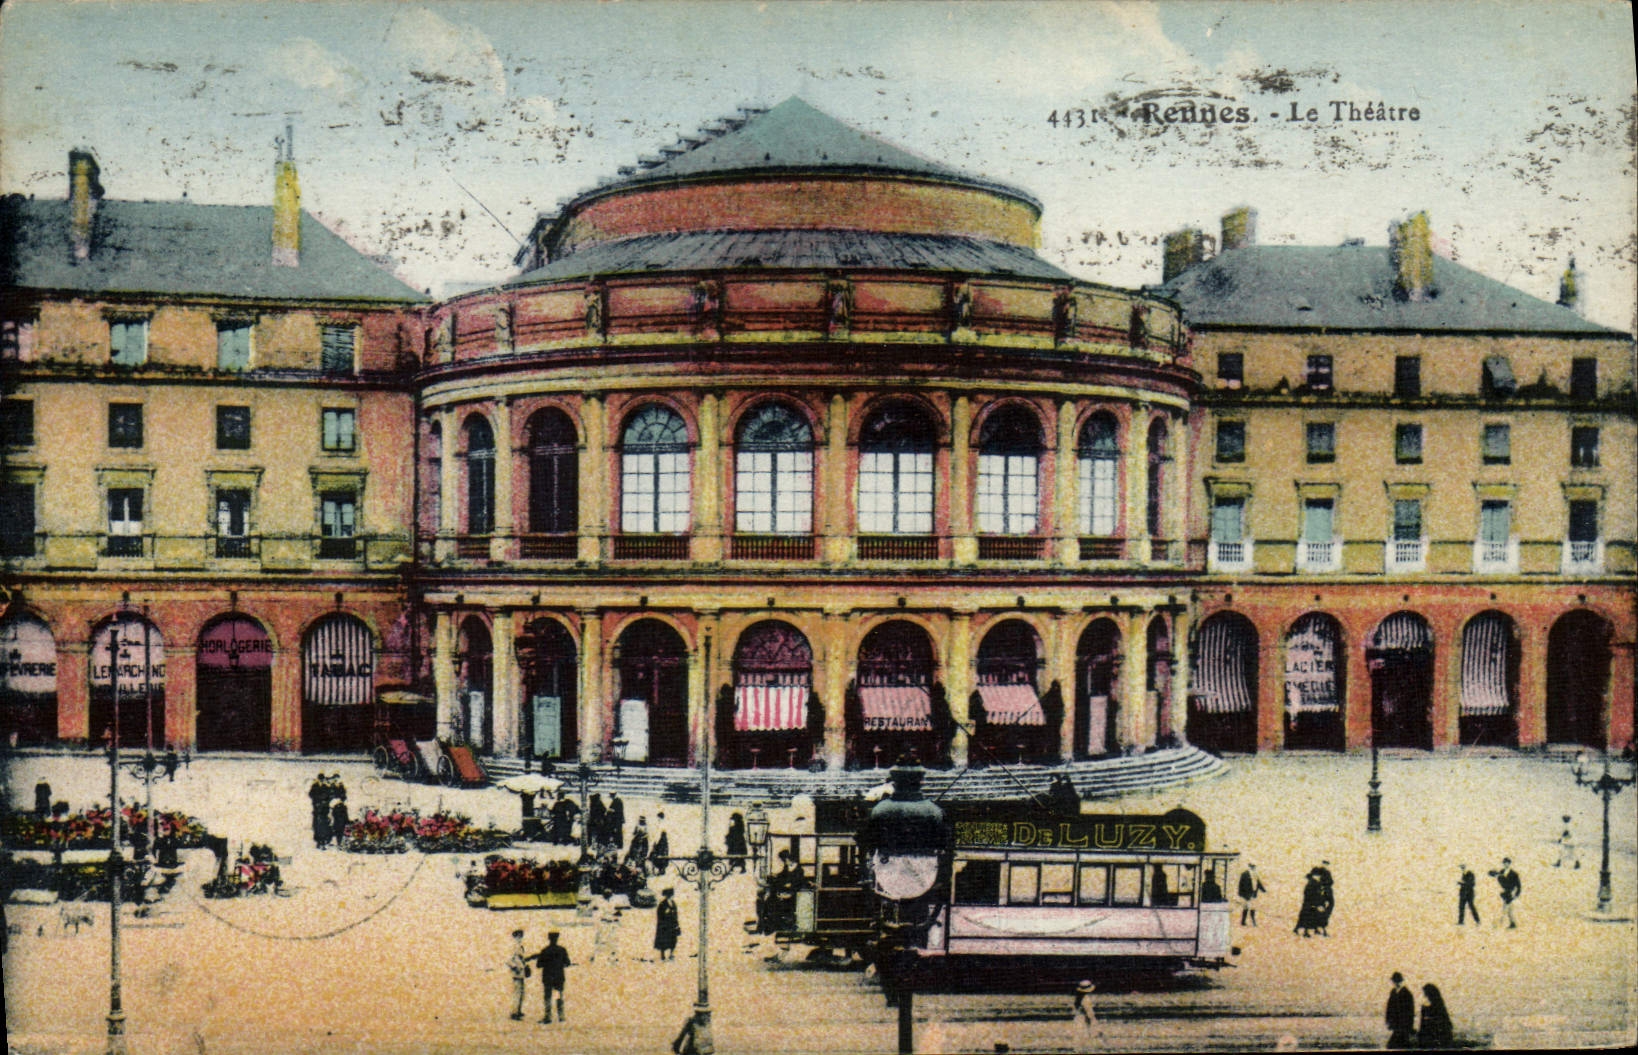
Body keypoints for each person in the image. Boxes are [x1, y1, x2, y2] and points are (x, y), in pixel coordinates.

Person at [532, 930, 571, 1023]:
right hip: (559, 977)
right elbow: (568, 963)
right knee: (558, 996)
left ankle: (548, 1016)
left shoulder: (545, 950)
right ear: (557, 939)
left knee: (548, 996)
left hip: (548, 977)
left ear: (549, 939)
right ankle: (561, 1016)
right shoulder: (562, 950)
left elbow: (538, 965)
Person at [1385, 971, 1416, 1049]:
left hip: (1404, 1024)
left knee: (1394, 1045)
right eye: (1394, 980)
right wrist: (1388, 1020)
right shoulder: (1393, 992)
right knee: (1399, 1044)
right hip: (1396, 1024)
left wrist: (1409, 1025)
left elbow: (1410, 1011)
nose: (1395, 982)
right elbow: (1389, 1007)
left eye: (1396, 980)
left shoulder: (1407, 993)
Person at [1416, 984, 1453, 1049]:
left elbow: (1441, 1021)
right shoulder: (1435, 1005)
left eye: (1426, 993)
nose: (1425, 995)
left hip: (1436, 1035)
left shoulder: (1437, 1005)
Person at [1489, 857, 1521, 928]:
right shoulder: (1501, 871)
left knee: (1504, 909)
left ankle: (1498, 924)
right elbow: (1493, 875)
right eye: (1504, 863)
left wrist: (1516, 895)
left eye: (1507, 863)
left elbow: (1518, 886)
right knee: (1509, 910)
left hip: (1510, 893)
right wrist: (1494, 873)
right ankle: (1513, 924)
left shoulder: (1514, 874)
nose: (1505, 864)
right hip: (1502, 892)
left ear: (1509, 864)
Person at [507, 928, 530, 1020]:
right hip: (517, 973)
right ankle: (514, 1012)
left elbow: (521, 959)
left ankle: (518, 1011)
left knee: (521, 992)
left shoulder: (520, 946)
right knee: (517, 992)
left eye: (521, 936)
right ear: (515, 936)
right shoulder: (514, 946)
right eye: (518, 936)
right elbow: (508, 960)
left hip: (521, 972)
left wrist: (525, 965)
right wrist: (515, 967)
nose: (520, 937)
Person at [1294, 869, 1325, 938]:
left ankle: (1305, 930)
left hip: (1310, 903)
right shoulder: (1312, 883)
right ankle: (1305, 932)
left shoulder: (1315, 883)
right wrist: (1314, 903)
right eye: (1318, 875)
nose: (1319, 877)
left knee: (1308, 917)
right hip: (1309, 903)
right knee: (1307, 917)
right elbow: (1309, 894)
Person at [654, 886, 681, 961]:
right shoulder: (662, 904)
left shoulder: (673, 903)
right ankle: (662, 955)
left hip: (672, 925)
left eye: (671, 895)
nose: (670, 896)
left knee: (673, 940)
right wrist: (666, 914)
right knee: (664, 941)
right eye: (669, 895)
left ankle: (671, 954)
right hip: (664, 926)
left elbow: (676, 914)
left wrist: (677, 924)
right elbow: (659, 915)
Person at [1072, 979, 1099, 1046]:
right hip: (1085, 1020)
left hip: (1078, 1019)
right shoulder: (1086, 999)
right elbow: (1089, 1013)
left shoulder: (1078, 998)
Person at [308, 773, 332, 849]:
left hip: (324, 809)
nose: (321, 781)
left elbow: (329, 796)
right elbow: (311, 794)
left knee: (324, 826)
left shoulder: (326, 787)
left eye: (322, 779)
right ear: (318, 779)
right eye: (320, 779)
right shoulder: (315, 786)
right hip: (317, 809)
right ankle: (319, 842)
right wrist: (317, 800)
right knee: (317, 826)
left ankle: (324, 841)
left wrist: (325, 801)